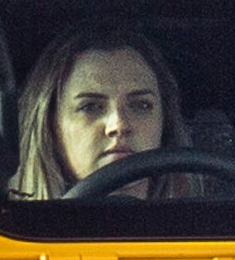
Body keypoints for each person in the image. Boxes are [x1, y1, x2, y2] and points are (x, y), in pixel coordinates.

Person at [12, 24, 189, 197]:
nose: (119, 124)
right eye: (90, 107)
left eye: (141, 105)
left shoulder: (201, 221)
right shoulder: (3, 222)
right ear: (51, 127)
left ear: (165, 122)